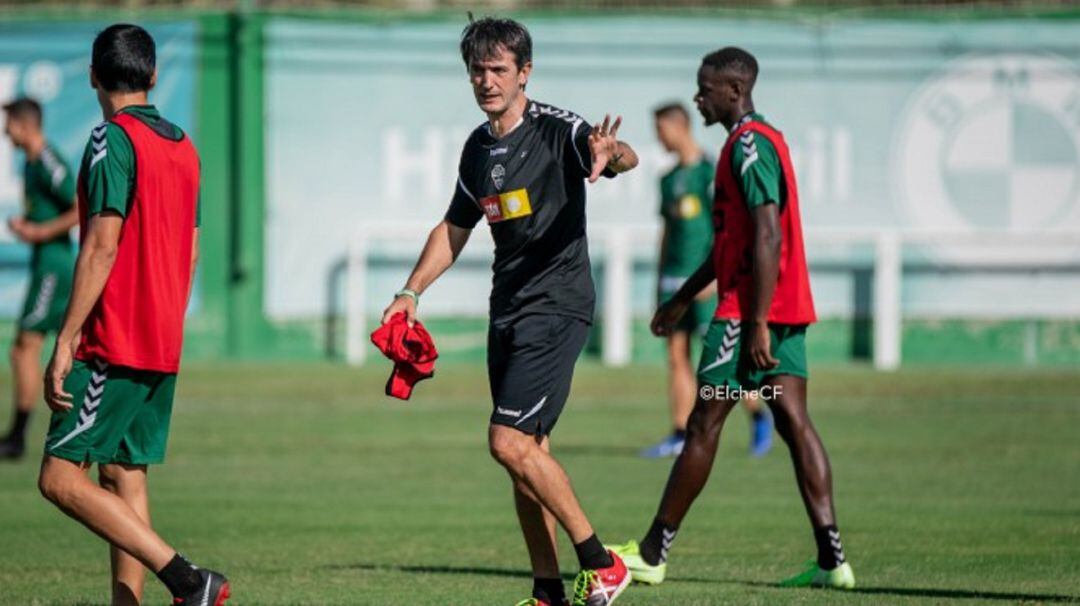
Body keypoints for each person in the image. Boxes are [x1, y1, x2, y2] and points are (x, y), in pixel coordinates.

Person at [381, 17, 638, 606]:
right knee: (527, 454)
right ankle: (547, 590)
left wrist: (612, 154)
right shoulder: (477, 148)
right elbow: (454, 227)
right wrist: (412, 291)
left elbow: (619, 154)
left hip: (558, 304)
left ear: (525, 73)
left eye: (499, 69)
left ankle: (601, 563)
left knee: (507, 440)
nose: (486, 80)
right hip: (509, 309)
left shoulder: (559, 131)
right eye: (477, 69)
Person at [610, 47, 855, 590]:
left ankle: (652, 552)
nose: (699, 96)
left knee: (704, 424)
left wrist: (758, 321)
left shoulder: (747, 146)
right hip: (779, 306)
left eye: (705, 88)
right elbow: (732, 244)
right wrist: (680, 300)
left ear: (734, 91)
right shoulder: (754, 143)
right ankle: (832, 560)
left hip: (749, 311)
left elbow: (768, 233)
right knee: (791, 418)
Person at [36, 24, 230, 606]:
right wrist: (165, 316)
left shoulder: (110, 140)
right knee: (124, 476)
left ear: (94, 76)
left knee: (59, 478)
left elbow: (101, 244)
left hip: (113, 339)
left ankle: (190, 581)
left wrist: (66, 337)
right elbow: (191, 251)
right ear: (152, 76)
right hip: (161, 340)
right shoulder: (184, 146)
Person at [642, 102, 773, 460]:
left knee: (720, 359)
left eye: (659, 129)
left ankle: (759, 416)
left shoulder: (709, 172)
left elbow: (728, 228)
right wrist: (659, 283)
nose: (657, 137)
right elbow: (667, 233)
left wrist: (719, 277)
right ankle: (680, 432)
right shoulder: (667, 179)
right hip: (673, 280)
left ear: (677, 126)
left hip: (707, 281)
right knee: (676, 357)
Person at [0, 97, 78, 461]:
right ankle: (20, 434)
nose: (5, 131)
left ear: (22, 124)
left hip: (55, 265)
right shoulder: (30, 163)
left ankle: (16, 437)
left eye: (8, 123)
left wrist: (40, 231)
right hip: (44, 262)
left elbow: (82, 205)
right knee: (36, 348)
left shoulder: (48, 160)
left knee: (24, 348)